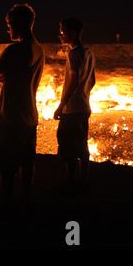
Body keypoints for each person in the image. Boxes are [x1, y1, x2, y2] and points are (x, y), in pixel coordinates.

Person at [0, 4, 45, 207]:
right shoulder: (38, 50)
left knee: (6, 164)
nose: (8, 29)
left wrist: (4, 75)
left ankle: (8, 203)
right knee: (27, 161)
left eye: (10, 24)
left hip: (10, 116)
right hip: (29, 115)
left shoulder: (15, 50)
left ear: (20, 24)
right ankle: (26, 201)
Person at [54, 17, 96, 191]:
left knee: (69, 146)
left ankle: (70, 183)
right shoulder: (89, 53)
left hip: (72, 109)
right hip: (84, 106)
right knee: (82, 144)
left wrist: (61, 105)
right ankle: (84, 179)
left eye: (63, 31)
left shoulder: (73, 53)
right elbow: (92, 80)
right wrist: (84, 95)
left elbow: (74, 80)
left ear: (74, 33)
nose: (60, 35)